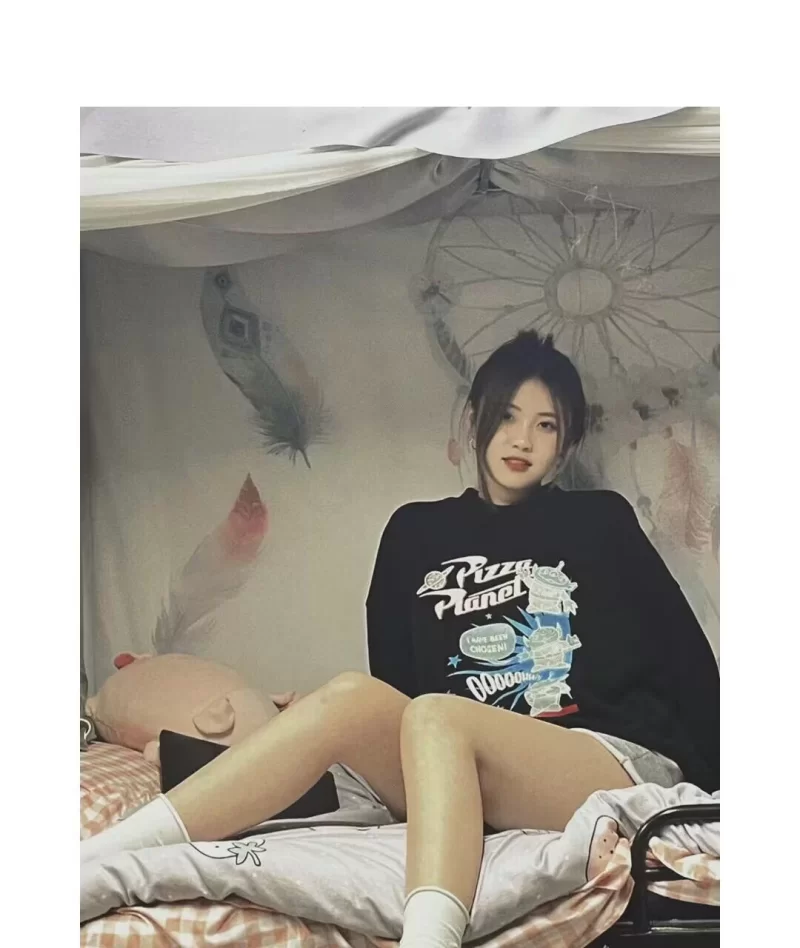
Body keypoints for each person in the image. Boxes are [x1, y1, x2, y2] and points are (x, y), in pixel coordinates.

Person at [81, 331, 720, 948]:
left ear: (567, 442)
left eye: (546, 425)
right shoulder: (415, 533)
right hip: (460, 763)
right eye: (506, 416)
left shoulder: (599, 519)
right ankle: (95, 860)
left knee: (437, 716)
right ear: (473, 420)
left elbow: (682, 652)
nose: (522, 439)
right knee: (350, 696)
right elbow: (396, 689)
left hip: (596, 755)